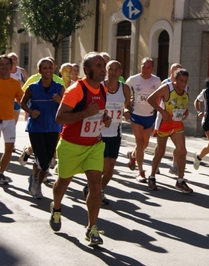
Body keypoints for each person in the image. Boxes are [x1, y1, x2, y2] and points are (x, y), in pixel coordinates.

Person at [49, 52, 111, 247]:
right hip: (71, 145)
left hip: (94, 145)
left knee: (95, 186)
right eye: (99, 66)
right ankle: (57, 208)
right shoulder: (76, 90)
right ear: (87, 70)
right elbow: (60, 118)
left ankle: (92, 228)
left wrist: (104, 119)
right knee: (62, 183)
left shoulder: (103, 90)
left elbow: (98, 114)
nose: (103, 70)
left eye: (104, 66)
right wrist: (85, 113)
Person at [83, 60, 131, 205]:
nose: (113, 72)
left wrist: (127, 112)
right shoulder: (100, 87)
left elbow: (126, 106)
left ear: (121, 72)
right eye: (111, 69)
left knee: (110, 168)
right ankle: (94, 190)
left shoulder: (125, 88)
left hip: (115, 132)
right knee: (103, 167)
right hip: (100, 132)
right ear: (106, 70)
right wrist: (103, 118)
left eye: (117, 69)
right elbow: (92, 105)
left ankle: (99, 189)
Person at [20, 58, 64, 198]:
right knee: (43, 159)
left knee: (47, 160)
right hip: (36, 128)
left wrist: (60, 101)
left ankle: (35, 180)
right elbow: (22, 103)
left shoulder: (59, 87)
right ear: (39, 71)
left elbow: (68, 105)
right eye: (44, 68)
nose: (48, 70)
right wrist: (31, 111)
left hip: (53, 127)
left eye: (50, 67)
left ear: (53, 69)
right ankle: (35, 181)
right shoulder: (32, 88)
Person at [146, 69, 192, 193]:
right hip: (164, 124)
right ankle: (151, 177)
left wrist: (185, 112)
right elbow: (150, 99)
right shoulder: (167, 88)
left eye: (185, 81)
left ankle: (180, 181)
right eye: (181, 81)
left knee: (182, 152)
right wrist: (162, 112)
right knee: (160, 152)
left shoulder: (186, 89)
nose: (183, 83)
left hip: (177, 124)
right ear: (175, 80)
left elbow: (183, 104)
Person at [125, 57, 161, 182]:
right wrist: (127, 103)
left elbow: (160, 95)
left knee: (144, 144)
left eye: (148, 67)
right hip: (136, 115)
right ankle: (140, 172)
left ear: (152, 68)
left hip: (149, 115)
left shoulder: (156, 81)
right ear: (140, 66)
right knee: (140, 142)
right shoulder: (133, 79)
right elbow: (124, 90)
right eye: (144, 67)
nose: (146, 70)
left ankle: (133, 155)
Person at [0, 54, 24, 185]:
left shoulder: (14, 84)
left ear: (11, 67)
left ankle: (1, 172)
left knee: (9, 148)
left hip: (9, 119)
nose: (4, 67)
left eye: (6, 65)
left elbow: (22, 100)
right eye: (1, 65)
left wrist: (32, 110)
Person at [156, 63, 183, 175]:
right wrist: (163, 111)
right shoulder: (165, 84)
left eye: (179, 71)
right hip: (164, 118)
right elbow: (156, 99)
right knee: (161, 146)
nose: (178, 73)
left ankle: (174, 165)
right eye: (176, 71)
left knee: (180, 145)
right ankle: (156, 165)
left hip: (176, 119)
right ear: (171, 72)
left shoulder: (183, 85)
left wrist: (183, 112)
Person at [8, 52, 28, 125]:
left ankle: (11, 135)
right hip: (6, 99)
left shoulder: (21, 71)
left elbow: (28, 84)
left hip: (17, 99)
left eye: (15, 59)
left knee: (14, 123)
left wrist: (22, 84)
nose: (13, 61)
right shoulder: (4, 71)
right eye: (11, 59)